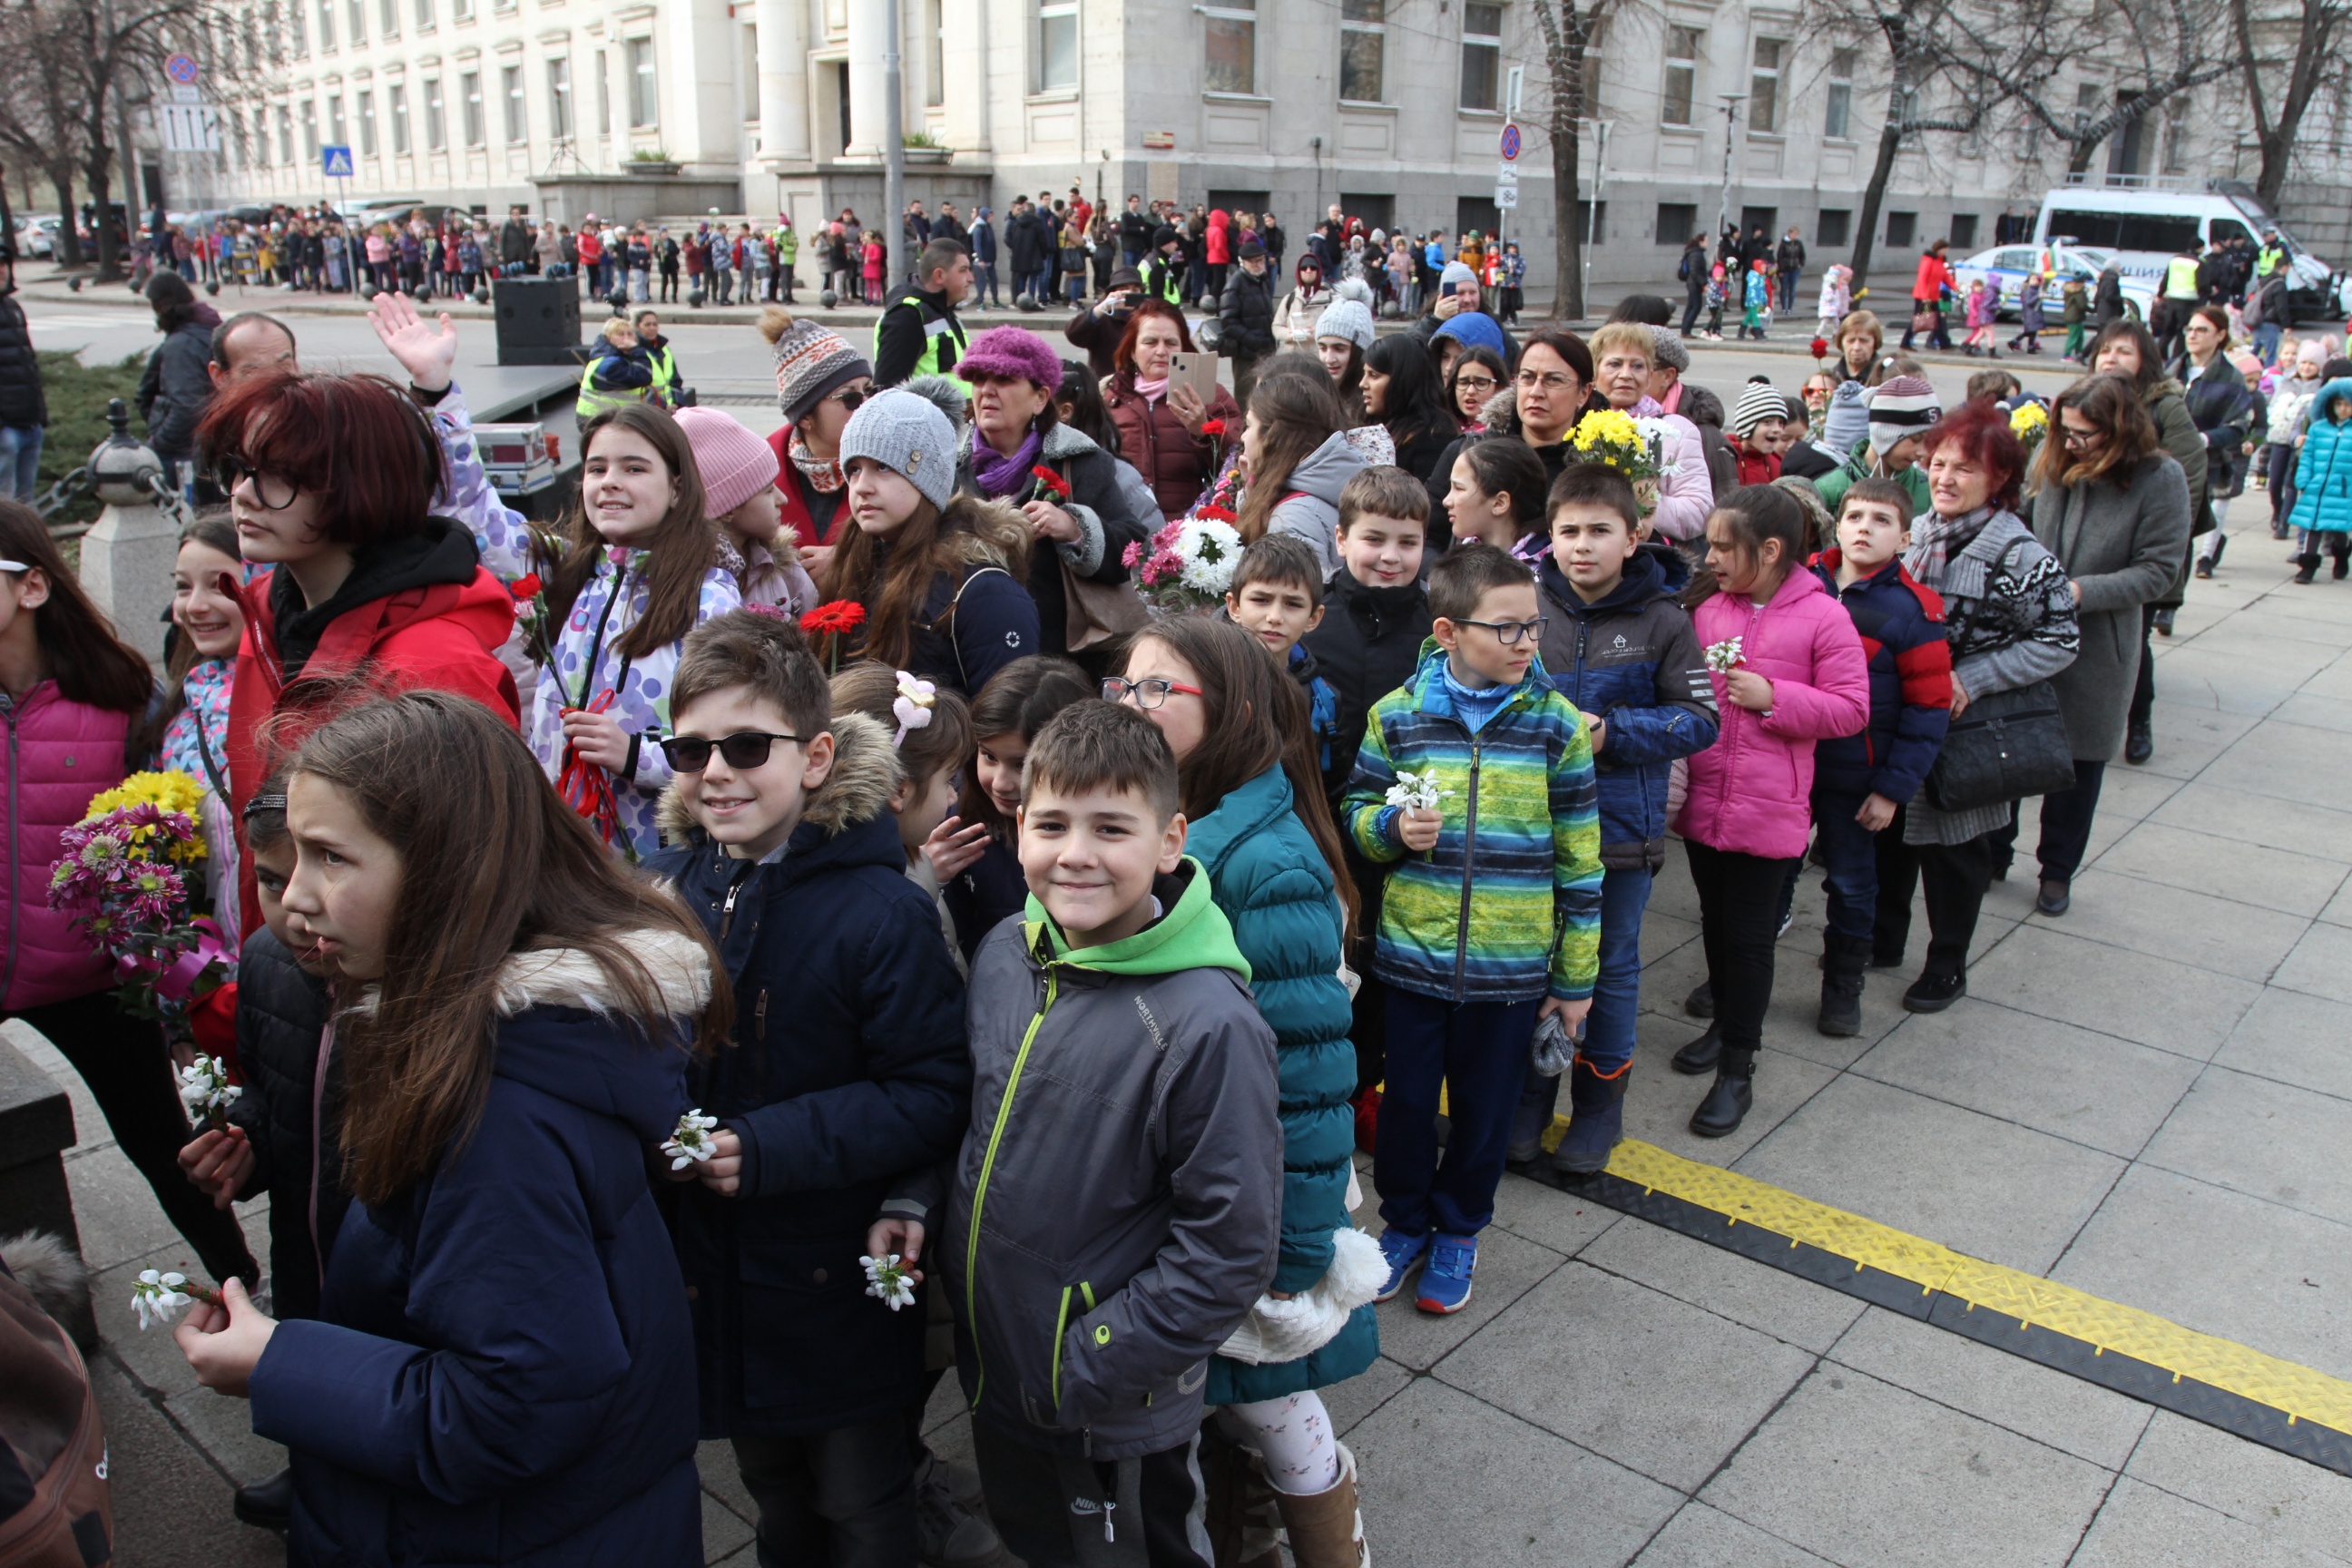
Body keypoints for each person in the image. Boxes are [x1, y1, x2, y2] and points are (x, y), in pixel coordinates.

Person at [171, 691, 717, 1565]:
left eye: (330, 857)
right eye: (293, 856)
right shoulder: (484, 1047)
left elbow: (514, 1410)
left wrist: (277, 1363)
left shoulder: (493, 1118)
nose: (296, 896)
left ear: (446, 871)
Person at [649, 612, 971, 1567]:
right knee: (774, 1490)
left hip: (830, 1279)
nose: (716, 771)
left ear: (817, 757)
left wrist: (771, 1146)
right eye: (692, 749)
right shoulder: (664, 890)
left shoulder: (882, 915)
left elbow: (932, 1090)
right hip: (714, 1273)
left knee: (861, 1500)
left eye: (748, 746)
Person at [944, 699, 1282, 1567]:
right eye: (1052, 824)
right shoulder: (1007, 952)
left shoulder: (1208, 1024)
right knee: (1036, 1542)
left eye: (1111, 828)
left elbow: (1230, 1246)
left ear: (1170, 840)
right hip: (1000, 1368)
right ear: (1019, 826)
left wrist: (1086, 1364)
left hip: (1106, 1403)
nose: (1076, 854)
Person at [1109, 618, 1379, 1563]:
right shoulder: (1169, 820)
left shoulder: (1265, 864)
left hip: (1251, 1201)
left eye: (1158, 690)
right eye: (1124, 687)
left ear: (1230, 712)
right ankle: (1243, 1535)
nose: (1132, 706)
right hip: (1194, 1185)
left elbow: (1307, 1078)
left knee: (1274, 1405)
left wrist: (1295, 1248)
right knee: (1223, 1403)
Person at [0, 505, 260, 1296]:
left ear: (33, 587)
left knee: (158, 1142)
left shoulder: (124, 700)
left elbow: (173, 856)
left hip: (92, 978)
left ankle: (241, 1283)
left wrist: (172, 985)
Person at [1345, 544, 1602, 1310]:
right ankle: (1404, 1223)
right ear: (1449, 631)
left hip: (1510, 970)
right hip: (1413, 962)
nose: (1528, 643)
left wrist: (1575, 981)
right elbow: (1355, 813)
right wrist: (1390, 829)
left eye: (1534, 626)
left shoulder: (1556, 726)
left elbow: (1581, 862)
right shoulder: (1397, 715)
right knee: (1406, 1107)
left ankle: (1459, 1230)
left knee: (1485, 1113)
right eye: (1508, 628)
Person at [200, 370, 520, 928]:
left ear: (363, 485)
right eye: (240, 469)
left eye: (279, 476)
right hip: (293, 948)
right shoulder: (266, 618)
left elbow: (472, 884)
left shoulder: (435, 666)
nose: (243, 494)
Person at [1514, 464, 1718, 1170]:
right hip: (1531, 828)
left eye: (1600, 530)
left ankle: (1599, 1108)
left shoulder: (1664, 619)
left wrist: (1613, 733)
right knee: (1536, 960)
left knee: (1611, 967)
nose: (1582, 545)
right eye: (1568, 530)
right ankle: (1531, 1096)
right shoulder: (1526, 604)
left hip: (1619, 833)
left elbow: (1699, 719)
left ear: (1633, 538)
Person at [1664, 486, 1869, 1135]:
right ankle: (1724, 1025)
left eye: (1724, 547)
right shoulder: (1706, 608)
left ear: (1772, 550)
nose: (1710, 558)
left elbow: (1852, 708)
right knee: (1715, 923)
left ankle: (1738, 1068)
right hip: (1705, 800)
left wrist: (1774, 696)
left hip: (1770, 809)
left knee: (1750, 940)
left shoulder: (1824, 615)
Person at [1873, 402, 2079, 1008]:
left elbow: (2060, 638)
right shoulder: (1916, 532)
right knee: (1888, 836)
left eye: (1964, 469)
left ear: (2000, 479)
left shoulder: (2019, 554)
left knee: (1954, 853)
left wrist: (1974, 677)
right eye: (1938, 464)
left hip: (1967, 730)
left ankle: (1947, 964)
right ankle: (1882, 940)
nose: (1944, 478)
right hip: (1902, 718)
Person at [1991, 374, 2191, 920]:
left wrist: (2080, 591)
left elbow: (2159, 571)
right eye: (2066, 431)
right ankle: (1994, 853)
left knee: (2078, 765)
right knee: (2008, 751)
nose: (2072, 442)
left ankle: (2057, 870)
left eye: (2085, 434)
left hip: (2099, 645)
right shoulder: (2053, 461)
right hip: (2028, 634)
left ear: (2119, 430)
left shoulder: (2160, 477)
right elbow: (2021, 528)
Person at [1792, 479, 1954, 1034]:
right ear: (1837, 526)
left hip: (1855, 777)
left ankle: (1843, 984)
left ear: (1905, 538)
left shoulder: (1913, 611)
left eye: (1882, 520)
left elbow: (1929, 709)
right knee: (1771, 875)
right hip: (1788, 765)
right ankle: (1737, 980)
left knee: (1851, 883)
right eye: (1855, 516)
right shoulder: (1799, 583)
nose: (1865, 528)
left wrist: (1891, 789)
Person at [952, 326, 1150, 659]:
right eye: (978, 379)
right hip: (967, 652)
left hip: (1057, 659)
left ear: (1040, 398)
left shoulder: (1081, 462)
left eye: (1003, 379)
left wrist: (1075, 528)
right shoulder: (946, 465)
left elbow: (1134, 549)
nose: (987, 391)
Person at [2087, 318, 2208, 760]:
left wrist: (2167, 535)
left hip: (2142, 547)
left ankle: (2138, 721)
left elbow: (2190, 471)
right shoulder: (2085, 401)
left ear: (2144, 361)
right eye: (2105, 350)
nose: (2111, 359)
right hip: (2091, 545)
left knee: (2132, 642)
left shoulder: (2164, 406)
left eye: (2124, 351)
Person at [932, 655, 1093, 964]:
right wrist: (929, 877)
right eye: (989, 756)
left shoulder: (1088, 847)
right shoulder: (955, 821)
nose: (1000, 783)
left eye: (1021, 764)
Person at [1423, 328, 1601, 539]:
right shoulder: (1470, 451)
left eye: (1553, 380)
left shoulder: (1598, 467)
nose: (1536, 392)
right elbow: (1426, 536)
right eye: (1528, 377)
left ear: (1584, 392)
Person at [1102, 298, 1241, 520]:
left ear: (1184, 348)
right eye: (1150, 342)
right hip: (1125, 527)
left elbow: (1238, 464)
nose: (1161, 351)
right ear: (1132, 351)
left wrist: (1203, 432)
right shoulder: (1109, 395)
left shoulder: (1210, 396)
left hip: (1188, 529)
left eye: (1170, 343)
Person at [760, 310, 873, 576]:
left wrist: (848, 562)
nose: (867, 405)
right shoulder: (762, 469)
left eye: (869, 390)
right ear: (806, 417)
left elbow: (918, 543)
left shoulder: (893, 461)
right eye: (850, 398)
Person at [676, 407, 816, 615]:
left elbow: (816, 626)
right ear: (727, 508)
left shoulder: (784, 569)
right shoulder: (688, 587)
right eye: (768, 491)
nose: (782, 499)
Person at [1222, 534, 1341, 776]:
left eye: (1293, 604)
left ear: (1313, 618)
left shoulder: (1323, 698)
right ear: (1234, 607)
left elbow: (1329, 782)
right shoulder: (1207, 680)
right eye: (1261, 600)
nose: (1275, 617)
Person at [1586, 323, 1713, 542]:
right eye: (1615, 364)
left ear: (1649, 376)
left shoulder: (1676, 430)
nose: (1626, 375)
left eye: (1637, 366)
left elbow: (1699, 511)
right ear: (1595, 373)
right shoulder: (1576, 427)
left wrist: (1640, 504)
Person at [1237, 370, 1369, 575]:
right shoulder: (1310, 490)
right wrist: (1251, 487)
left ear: (1272, 435)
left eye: (1248, 426)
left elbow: (1295, 592)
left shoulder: (1293, 518)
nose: (1243, 436)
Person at [2179, 308, 2259, 579]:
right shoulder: (2171, 369)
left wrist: (2205, 439)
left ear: (2220, 335)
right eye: (2190, 329)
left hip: (2201, 467)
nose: (2193, 335)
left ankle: (2171, 598)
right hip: (2158, 460)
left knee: (2182, 532)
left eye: (2202, 330)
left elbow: (2240, 425)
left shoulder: (2230, 377)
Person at [137, 270, 219, 490]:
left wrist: (158, 443)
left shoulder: (181, 345)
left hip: (182, 453)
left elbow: (187, 407)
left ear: (158, 305)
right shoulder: (206, 328)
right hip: (201, 446)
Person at [1816, 375, 1940, 516]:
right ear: (1884, 433)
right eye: (1915, 439)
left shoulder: (1929, 491)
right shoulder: (1829, 491)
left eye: (1929, 442)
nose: (1923, 452)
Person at [872, 239, 972, 388]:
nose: (971, 278)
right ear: (939, 275)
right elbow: (887, 391)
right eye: (963, 270)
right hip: (931, 405)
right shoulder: (907, 315)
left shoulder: (940, 308)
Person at [1442, 436, 1551, 567]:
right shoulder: (1460, 557)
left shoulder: (1546, 570)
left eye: (1459, 488)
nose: (1446, 501)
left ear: (1500, 503)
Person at [2285, 370, 2352, 582]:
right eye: (2339, 404)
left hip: (2342, 489)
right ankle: (2308, 566)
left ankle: (2341, 556)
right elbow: (2308, 456)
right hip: (2317, 485)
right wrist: (2304, 478)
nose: (2343, 409)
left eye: (2348, 404)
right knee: (2313, 525)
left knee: (2338, 528)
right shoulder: (2318, 429)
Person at [2263, 340, 2327, 540]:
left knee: (2291, 483)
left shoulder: (2320, 387)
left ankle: (2284, 522)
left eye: (2312, 364)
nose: (2306, 367)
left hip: (2302, 442)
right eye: (2303, 362)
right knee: (2274, 482)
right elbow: (2273, 406)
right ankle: (2278, 509)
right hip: (2280, 438)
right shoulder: (2286, 382)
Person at [0, 265, 45, 504]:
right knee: (6, 510)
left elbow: (29, 364)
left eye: (3, 263)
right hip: (6, 431)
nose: (1, 270)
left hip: (29, 426)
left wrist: (39, 416)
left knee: (25, 507)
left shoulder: (13, 308)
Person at [1220, 237, 1280, 408]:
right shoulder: (1235, 284)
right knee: (1246, 398)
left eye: (1261, 260)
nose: (1259, 265)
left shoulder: (1262, 280)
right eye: (1254, 262)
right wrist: (1253, 341)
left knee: (1265, 396)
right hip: (1246, 354)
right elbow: (1228, 322)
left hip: (1266, 349)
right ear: (1243, 262)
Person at [576, 316, 658, 428]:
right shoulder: (610, 363)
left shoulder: (617, 356)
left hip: (609, 417)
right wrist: (636, 350)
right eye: (620, 334)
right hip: (598, 419)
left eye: (630, 334)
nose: (626, 338)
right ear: (609, 338)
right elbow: (643, 377)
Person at [1063, 265, 1144, 377]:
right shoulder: (1103, 318)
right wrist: (1103, 306)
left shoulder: (1147, 318)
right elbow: (1073, 333)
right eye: (1123, 290)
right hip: (1106, 382)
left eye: (1135, 290)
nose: (1130, 294)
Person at [1729, 377, 1789, 485]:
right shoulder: (1725, 459)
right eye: (1768, 422)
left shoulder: (1777, 465)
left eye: (1781, 423)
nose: (1777, 429)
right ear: (1747, 424)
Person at [1901, 240, 1955, 353]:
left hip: (1934, 296)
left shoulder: (1940, 261)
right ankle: (1905, 342)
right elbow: (1922, 279)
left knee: (1938, 320)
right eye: (1945, 249)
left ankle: (1945, 343)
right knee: (1917, 320)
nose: (1946, 251)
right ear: (1939, 249)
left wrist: (1955, 287)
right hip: (1923, 296)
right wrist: (1925, 295)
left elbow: (1945, 277)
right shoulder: (1928, 260)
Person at [1276, 253, 1338, 352]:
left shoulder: (1331, 299)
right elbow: (1277, 326)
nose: (1308, 271)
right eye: (1304, 268)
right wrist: (1290, 334)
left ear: (1318, 271)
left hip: (1318, 356)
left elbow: (1338, 326)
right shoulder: (1289, 299)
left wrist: (1318, 331)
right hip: (1292, 355)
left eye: (1313, 268)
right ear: (1299, 271)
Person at [1446, 346, 1505, 435]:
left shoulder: (1509, 434)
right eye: (1463, 382)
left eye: (1481, 383)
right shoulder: (1441, 431)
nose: (1470, 391)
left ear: (1498, 387)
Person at [1677, 233, 1711, 336]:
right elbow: (1694, 271)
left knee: (1691, 306)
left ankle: (1685, 329)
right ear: (1700, 242)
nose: (1708, 243)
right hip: (1694, 283)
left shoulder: (1696, 253)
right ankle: (1686, 330)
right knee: (1696, 306)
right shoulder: (1696, 254)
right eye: (1706, 241)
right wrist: (1704, 282)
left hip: (1693, 283)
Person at [1815, 263, 1853, 343]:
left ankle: (1835, 336)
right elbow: (1828, 296)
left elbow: (1839, 295)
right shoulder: (1828, 286)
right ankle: (1817, 335)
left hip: (1833, 309)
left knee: (1836, 323)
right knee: (1824, 323)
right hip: (1827, 308)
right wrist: (1834, 296)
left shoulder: (1835, 286)